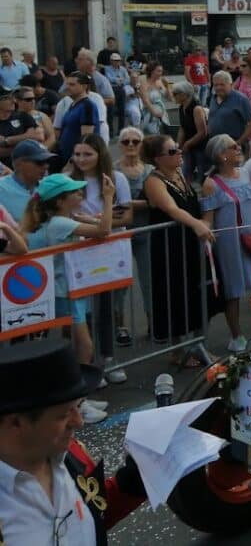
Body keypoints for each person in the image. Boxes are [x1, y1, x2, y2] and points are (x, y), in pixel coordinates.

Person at [0, 340, 148, 543]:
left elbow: (96, 513)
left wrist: (135, 479)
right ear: (15, 423)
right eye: (63, 415)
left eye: (78, 407)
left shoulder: (73, 455)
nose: (78, 422)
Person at [22, 172, 115, 422]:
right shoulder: (60, 224)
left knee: (73, 347)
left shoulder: (62, 219)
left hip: (71, 289)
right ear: (61, 200)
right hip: (66, 292)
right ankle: (77, 403)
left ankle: (77, 400)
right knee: (85, 347)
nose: (80, 194)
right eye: (74, 192)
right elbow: (104, 229)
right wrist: (108, 198)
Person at [65, 134, 133, 376]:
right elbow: (66, 217)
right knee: (85, 311)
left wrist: (93, 220)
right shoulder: (68, 180)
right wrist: (100, 220)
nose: (81, 159)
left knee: (106, 306)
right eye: (78, 154)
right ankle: (89, 364)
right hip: (79, 253)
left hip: (109, 252)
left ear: (99, 154)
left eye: (87, 154)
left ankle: (109, 358)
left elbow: (125, 217)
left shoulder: (116, 179)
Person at [142, 134, 213, 357]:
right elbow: (171, 209)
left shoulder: (179, 174)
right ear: (158, 158)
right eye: (172, 151)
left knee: (193, 289)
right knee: (172, 291)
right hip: (169, 244)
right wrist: (197, 224)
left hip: (188, 241)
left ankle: (195, 345)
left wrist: (204, 222)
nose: (179, 153)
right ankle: (178, 350)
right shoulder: (154, 181)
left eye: (178, 149)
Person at [200, 134, 251, 353]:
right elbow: (208, 218)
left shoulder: (245, 173)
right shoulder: (211, 184)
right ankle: (236, 336)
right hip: (229, 243)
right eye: (232, 146)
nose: (239, 148)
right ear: (221, 155)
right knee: (233, 290)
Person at [115, 127, 153, 338]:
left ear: (141, 144)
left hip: (146, 231)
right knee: (120, 282)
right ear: (120, 145)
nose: (130, 145)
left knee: (149, 280)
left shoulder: (149, 170)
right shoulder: (112, 170)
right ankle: (120, 327)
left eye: (135, 141)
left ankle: (152, 322)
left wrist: (126, 203)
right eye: (126, 141)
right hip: (119, 234)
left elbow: (155, 201)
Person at [55, 73, 101, 165]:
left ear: (84, 86)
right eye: (67, 84)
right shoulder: (72, 105)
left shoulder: (87, 106)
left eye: (72, 84)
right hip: (65, 157)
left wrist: (74, 160)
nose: (68, 87)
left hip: (77, 161)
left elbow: (86, 137)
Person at [0, 139, 52, 219]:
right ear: (19, 164)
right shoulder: (1, 188)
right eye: (39, 162)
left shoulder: (51, 187)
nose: (46, 166)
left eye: (47, 161)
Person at [206, 71, 251, 152]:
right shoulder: (213, 98)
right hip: (216, 145)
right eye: (216, 85)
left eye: (222, 84)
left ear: (230, 84)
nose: (218, 87)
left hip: (234, 147)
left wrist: (238, 143)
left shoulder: (240, 99)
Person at [172, 81, 208, 183]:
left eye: (175, 94)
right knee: (185, 173)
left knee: (202, 174)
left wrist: (188, 143)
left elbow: (202, 132)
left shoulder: (196, 109)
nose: (173, 96)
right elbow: (182, 128)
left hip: (200, 146)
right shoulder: (181, 107)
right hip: (188, 145)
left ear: (184, 94)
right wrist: (178, 145)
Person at [0, 87, 44, 166]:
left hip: (25, 164)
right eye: (7, 98)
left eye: (12, 98)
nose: (13, 100)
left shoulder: (22, 116)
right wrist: (25, 139)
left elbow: (37, 137)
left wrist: (7, 141)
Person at [103, 51, 130, 134]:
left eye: (118, 60)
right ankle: (110, 131)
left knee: (122, 110)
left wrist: (120, 81)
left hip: (121, 89)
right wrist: (118, 80)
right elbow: (108, 78)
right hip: (112, 89)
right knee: (110, 111)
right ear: (111, 61)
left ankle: (121, 130)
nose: (117, 62)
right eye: (115, 60)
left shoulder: (123, 69)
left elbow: (127, 80)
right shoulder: (107, 68)